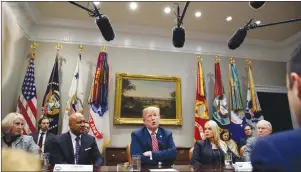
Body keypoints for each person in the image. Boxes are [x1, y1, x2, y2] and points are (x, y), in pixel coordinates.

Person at [251, 45, 301, 171]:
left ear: (297, 85)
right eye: (259, 128)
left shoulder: (271, 149)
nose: (260, 131)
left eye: (288, 88)